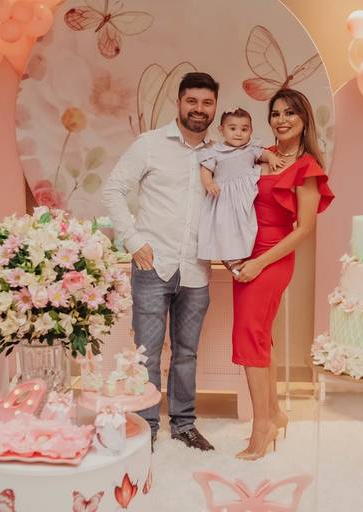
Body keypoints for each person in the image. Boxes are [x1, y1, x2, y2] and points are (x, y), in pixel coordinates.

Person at [101, 72, 219, 452]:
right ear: (179, 103)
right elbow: (113, 189)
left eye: (207, 103)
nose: (199, 109)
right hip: (153, 266)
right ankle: (146, 426)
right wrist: (134, 241)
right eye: (192, 101)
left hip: (196, 268)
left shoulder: (217, 154)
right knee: (146, 354)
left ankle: (184, 424)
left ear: (214, 107)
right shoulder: (150, 145)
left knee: (187, 353)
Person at [231, 88, 334, 460]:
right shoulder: (262, 155)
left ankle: (261, 426)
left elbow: (304, 229)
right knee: (260, 338)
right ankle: (274, 413)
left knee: (249, 339)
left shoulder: (307, 167)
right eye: (275, 113)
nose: (282, 119)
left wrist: (259, 263)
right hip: (246, 253)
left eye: (290, 113)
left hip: (272, 256)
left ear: (304, 119)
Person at [197, 107, 285, 274]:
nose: (238, 133)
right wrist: (208, 183)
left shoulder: (251, 148)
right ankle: (228, 257)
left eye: (244, 129)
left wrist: (272, 157)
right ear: (221, 130)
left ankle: (244, 255)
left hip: (244, 198)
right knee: (224, 226)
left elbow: (264, 154)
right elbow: (206, 168)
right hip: (224, 197)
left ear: (251, 131)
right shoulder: (215, 151)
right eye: (232, 128)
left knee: (245, 226)